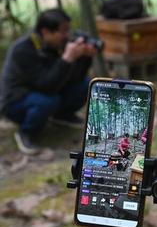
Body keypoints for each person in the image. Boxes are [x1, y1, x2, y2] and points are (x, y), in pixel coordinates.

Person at [0, 8, 97, 155]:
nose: (67, 36)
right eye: (63, 32)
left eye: (68, 31)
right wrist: (67, 59)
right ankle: (26, 132)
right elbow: (46, 85)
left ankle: (61, 116)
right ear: (46, 32)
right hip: (15, 102)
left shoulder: (54, 46)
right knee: (49, 101)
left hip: (44, 92)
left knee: (85, 85)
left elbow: (74, 79)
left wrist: (85, 57)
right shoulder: (23, 50)